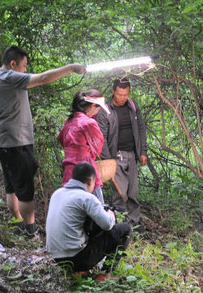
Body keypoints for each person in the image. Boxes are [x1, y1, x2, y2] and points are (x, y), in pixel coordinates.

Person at [0, 45, 86, 235]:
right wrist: (72, 67)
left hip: (1, 142)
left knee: (11, 185)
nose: (25, 71)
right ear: (12, 64)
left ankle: (17, 224)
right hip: (15, 142)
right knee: (24, 189)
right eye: (23, 66)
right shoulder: (8, 77)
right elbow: (43, 78)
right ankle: (30, 231)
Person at [45, 162, 133, 274]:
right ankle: (106, 273)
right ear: (90, 181)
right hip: (78, 259)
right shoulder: (87, 198)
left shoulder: (57, 194)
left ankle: (76, 273)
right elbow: (107, 225)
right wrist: (110, 214)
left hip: (57, 258)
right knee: (126, 229)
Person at [95, 77, 148, 227]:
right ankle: (119, 224)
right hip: (115, 156)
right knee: (120, 193)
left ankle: (134, 223)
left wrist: (143, 151)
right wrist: (108, 160)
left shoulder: (132, 106)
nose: (123, 98)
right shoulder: (105, 111)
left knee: (132, 193)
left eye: (126, 95)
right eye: (120, 95)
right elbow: (101, 138)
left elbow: (141, 129)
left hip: (132, 154)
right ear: (113, 92)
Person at [58, 89, 108, 203]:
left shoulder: (69, 121)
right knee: (96, 207)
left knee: (72, 208)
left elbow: (61, 140)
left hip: (69, 170)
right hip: (86, 170)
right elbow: (98, 147)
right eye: (98, 107)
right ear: (92, 106)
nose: (98, 111)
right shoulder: (89, 123)